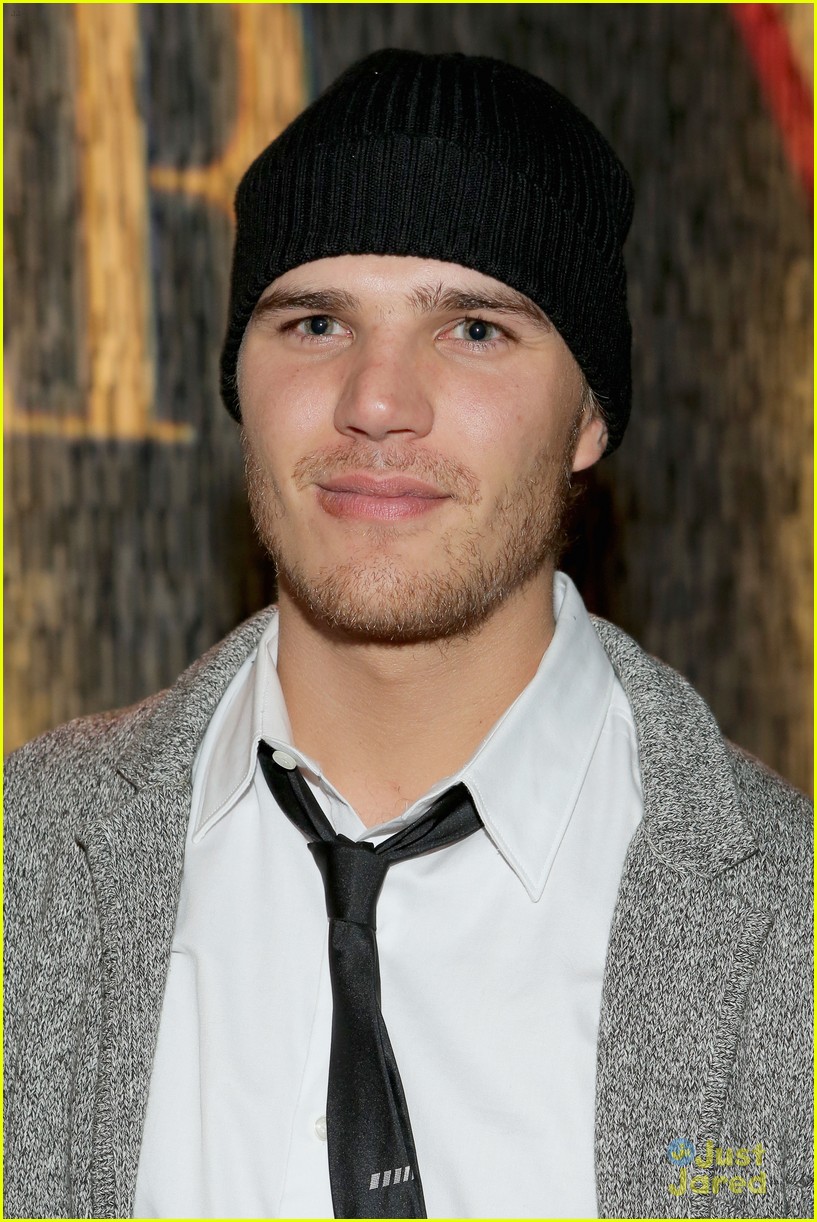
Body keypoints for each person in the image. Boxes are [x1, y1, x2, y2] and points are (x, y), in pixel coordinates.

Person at [4, 49, 811, 1222]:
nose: (375, 401)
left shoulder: (788, 926)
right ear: (239, 382)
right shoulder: (31, 862)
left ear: (589, 415)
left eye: (473, 328)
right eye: (315, 321)